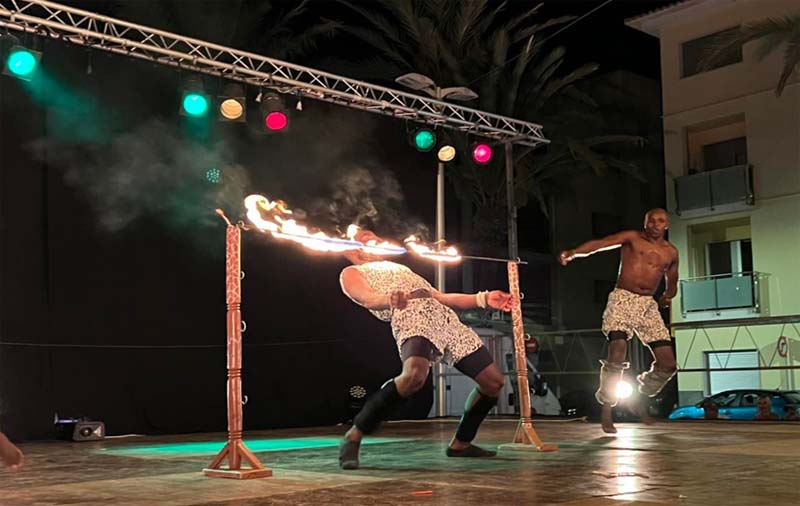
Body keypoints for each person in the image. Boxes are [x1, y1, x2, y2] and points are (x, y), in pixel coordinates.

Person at [337, 229, 514, 470]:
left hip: (445, 320)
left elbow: (441, 297)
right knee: (413, 377)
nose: (371, 239)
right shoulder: (351, 272)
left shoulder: (400, 268)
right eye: (362, 238)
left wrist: (483, 298)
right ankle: (355, 434)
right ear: (350, 249)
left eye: (372, 236)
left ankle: (461, 444)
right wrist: (390, 299)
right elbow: (367, 298)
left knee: (494, 383)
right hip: (413, 315)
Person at [559, 208, 679, 433]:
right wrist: (574, 253)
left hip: (647, 305)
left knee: (668, 364)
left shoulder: (671, 252)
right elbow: (601, 244)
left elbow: (672, 280)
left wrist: (667, 297)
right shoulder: (632, 238)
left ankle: (641, 396)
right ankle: (607, 408)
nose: (655, 224)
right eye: (651, 221)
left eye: (660, 221)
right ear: (645, 223)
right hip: (623, 298)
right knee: (618, 350)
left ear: (666, 225)